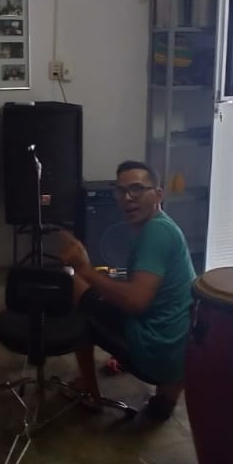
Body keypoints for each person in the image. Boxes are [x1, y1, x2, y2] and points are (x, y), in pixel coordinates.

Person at [59, 160, 195, 421]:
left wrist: (84, 269)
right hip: (179, 348)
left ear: (158, 194)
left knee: (75, 285)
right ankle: (167, 395)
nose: (127, 198)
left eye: (137, 189)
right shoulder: (164, 225)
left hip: (155, 350)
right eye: (121, 191)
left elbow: (135, 302)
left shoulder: (156, 233)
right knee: (103, 289)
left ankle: (89, 390)